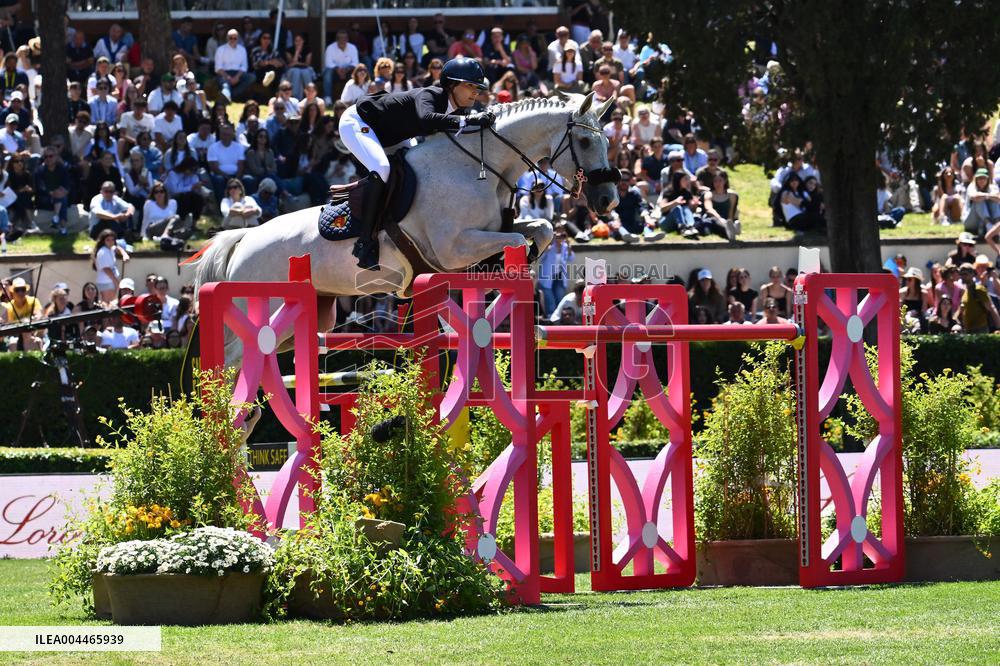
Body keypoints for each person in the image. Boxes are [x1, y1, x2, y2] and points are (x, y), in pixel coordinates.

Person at [339, 56, 495, 269]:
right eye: (470, 86)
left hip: (391, 135)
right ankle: (365, 242)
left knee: (418, 171)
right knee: (382, 168)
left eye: (478, 88)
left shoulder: (459, 111)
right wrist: (467, 120)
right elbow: (426, 118)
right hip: (359, 122)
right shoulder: (431, 94)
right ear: (451, 84)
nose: (476, 92)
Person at [957, 263, 1000, 334]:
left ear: (973, 274)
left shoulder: (979, 289)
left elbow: (991, 308)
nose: (962, 276)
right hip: (968, 330)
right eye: (960, 274)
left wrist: (998, 327)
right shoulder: (965, 292)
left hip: (980, 329)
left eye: (965, 274)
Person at [91, 228, 129, 303]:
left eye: (112, 240)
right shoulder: (103, 252)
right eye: (108, 240)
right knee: (108, 304)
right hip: (107, 282)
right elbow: (106, 269)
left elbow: (117, 248)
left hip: (110, 281)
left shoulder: (110, 248)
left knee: (111, 303)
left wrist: (124, 254)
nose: (111, 242)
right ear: (103, 241)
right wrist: (115, 281)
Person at [215, 29, 252, 102]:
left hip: (238, 73)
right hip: (224, 73)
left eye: (235, 38)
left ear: (238, 39)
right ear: (227, 38)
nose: (233, 40)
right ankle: (227, 96)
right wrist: (228, 77)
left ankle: (231, 95)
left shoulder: (242, 49)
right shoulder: (220, 49)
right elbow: (218, 68)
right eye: (230, 38)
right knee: (225, 84)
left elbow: (244, 66)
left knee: (252, 77)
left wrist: (236, 77)